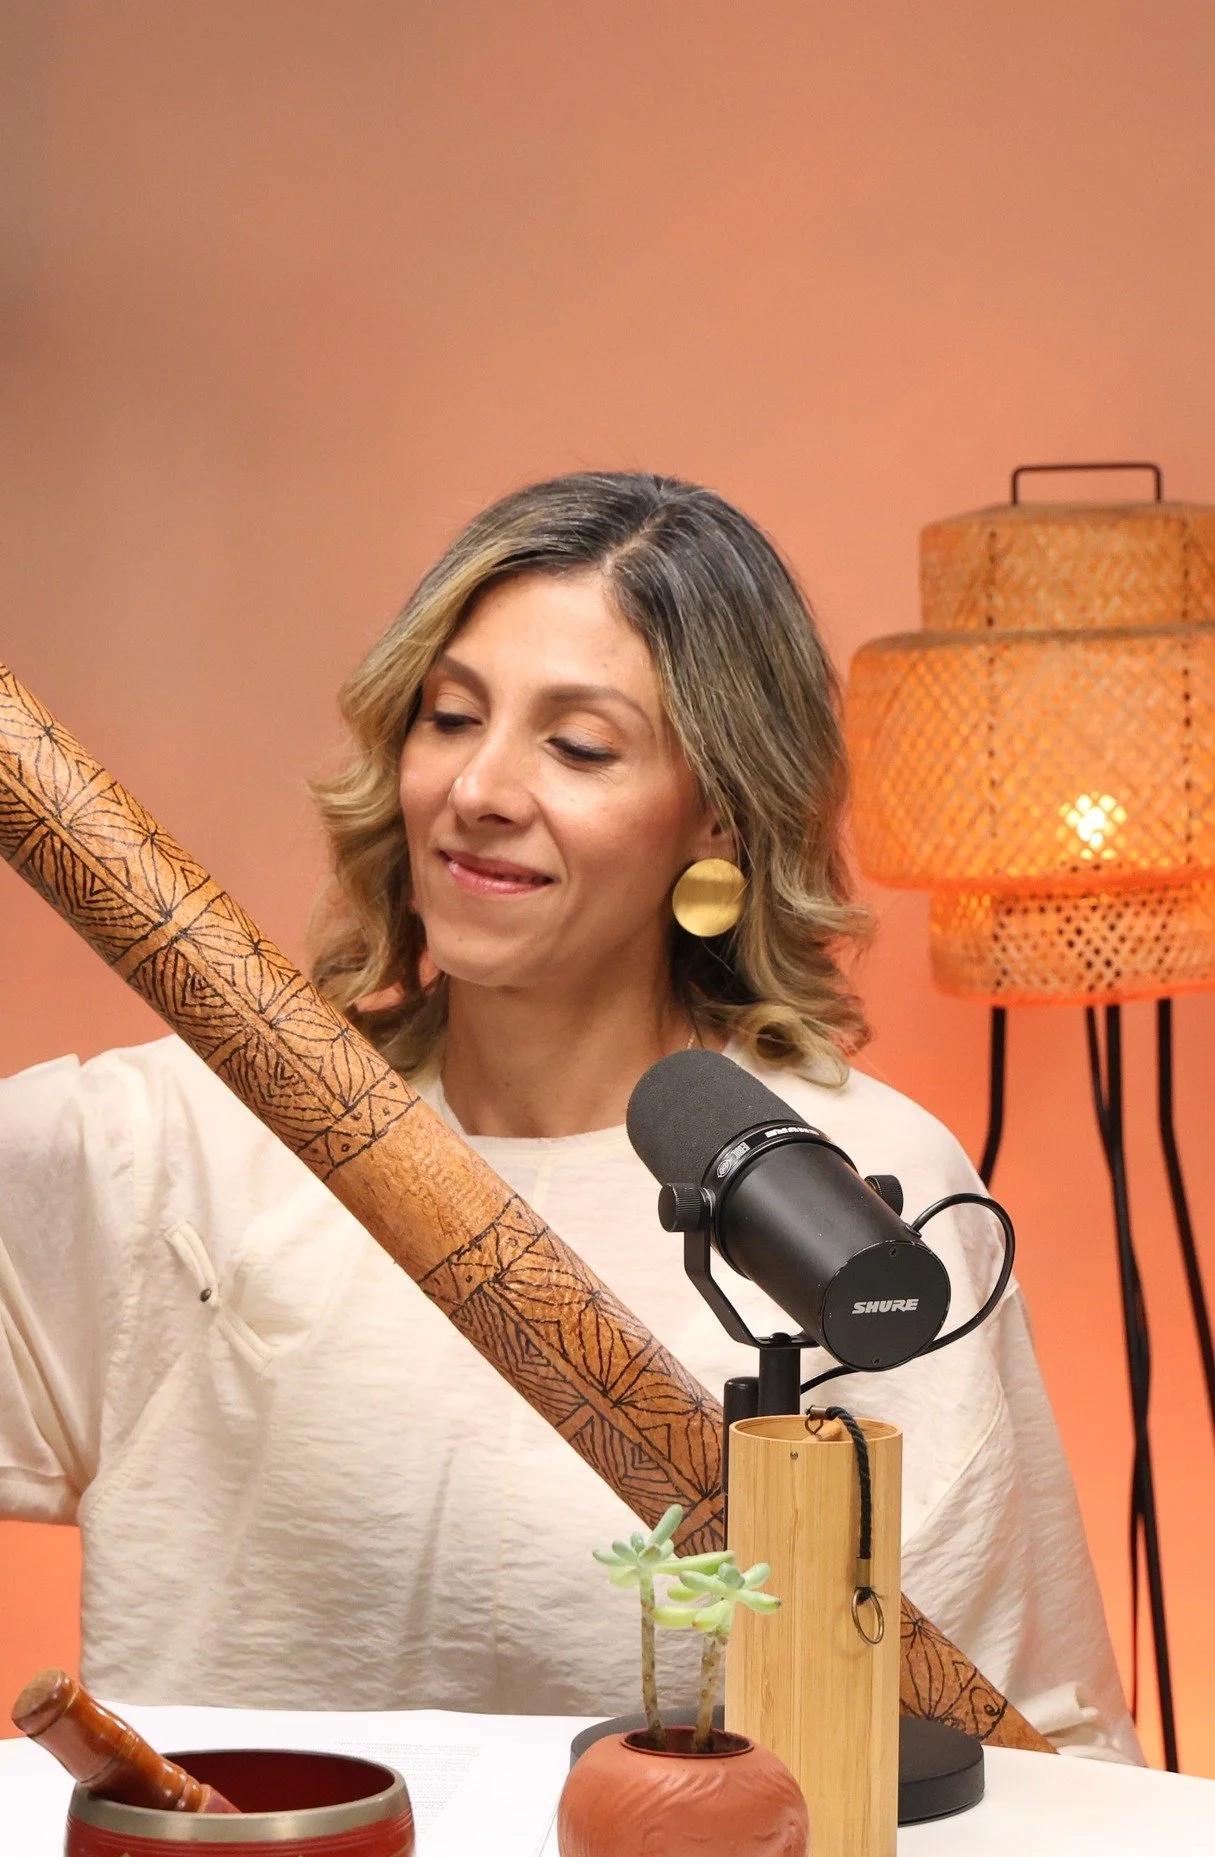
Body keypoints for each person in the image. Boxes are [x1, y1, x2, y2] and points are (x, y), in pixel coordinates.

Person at [0, 472, 1139, 1761]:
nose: (480, 787)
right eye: (450, 718)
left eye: (581, 746)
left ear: (718, 815)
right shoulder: (177, 1143)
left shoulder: (858, 1185)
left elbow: (1038, 1732)